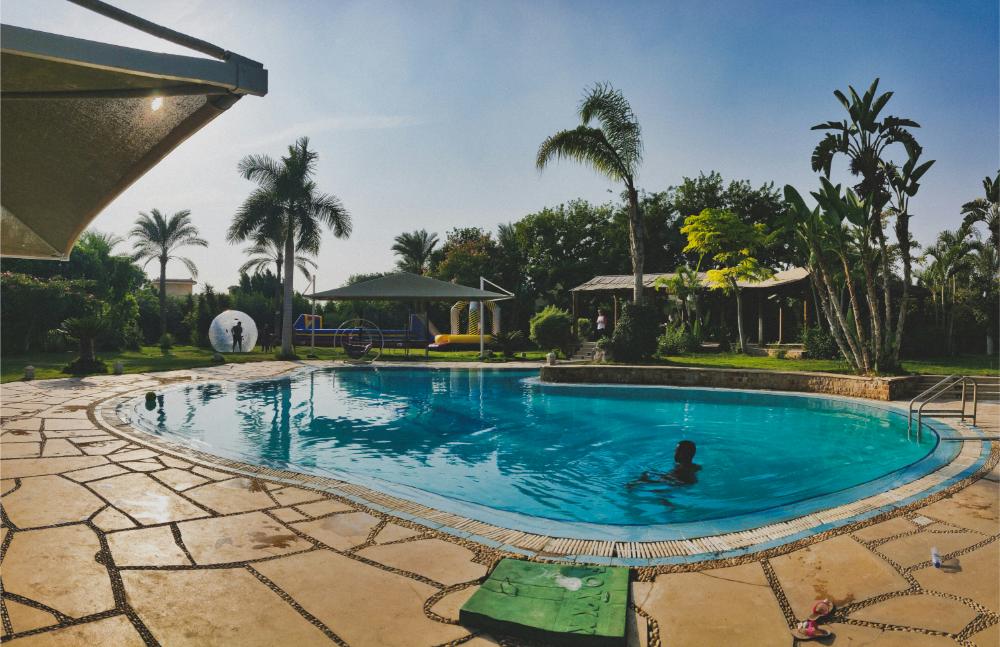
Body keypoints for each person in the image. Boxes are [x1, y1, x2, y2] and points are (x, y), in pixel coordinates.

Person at [629, 440, 701, 487]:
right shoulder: (696, 467)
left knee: (646, 477)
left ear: (685, 454)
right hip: (687, 483)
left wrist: (644, 480)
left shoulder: (680, 469)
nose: (675, 454)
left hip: (680, 484)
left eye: (677, 451)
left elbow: (666, 479)